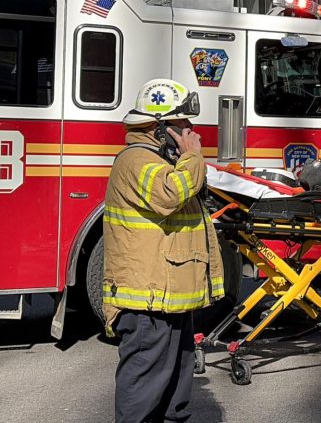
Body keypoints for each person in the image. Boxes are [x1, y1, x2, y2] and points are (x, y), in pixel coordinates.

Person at [104, 79, 225, 423]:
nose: (192, 132)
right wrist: (192, 157)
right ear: (161, 129)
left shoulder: (161, 160)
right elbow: (169, 195)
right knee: (143, 397)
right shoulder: (138, 161)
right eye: (184, 125)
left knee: (174, 399)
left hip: (168, 299)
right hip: (147, 304)